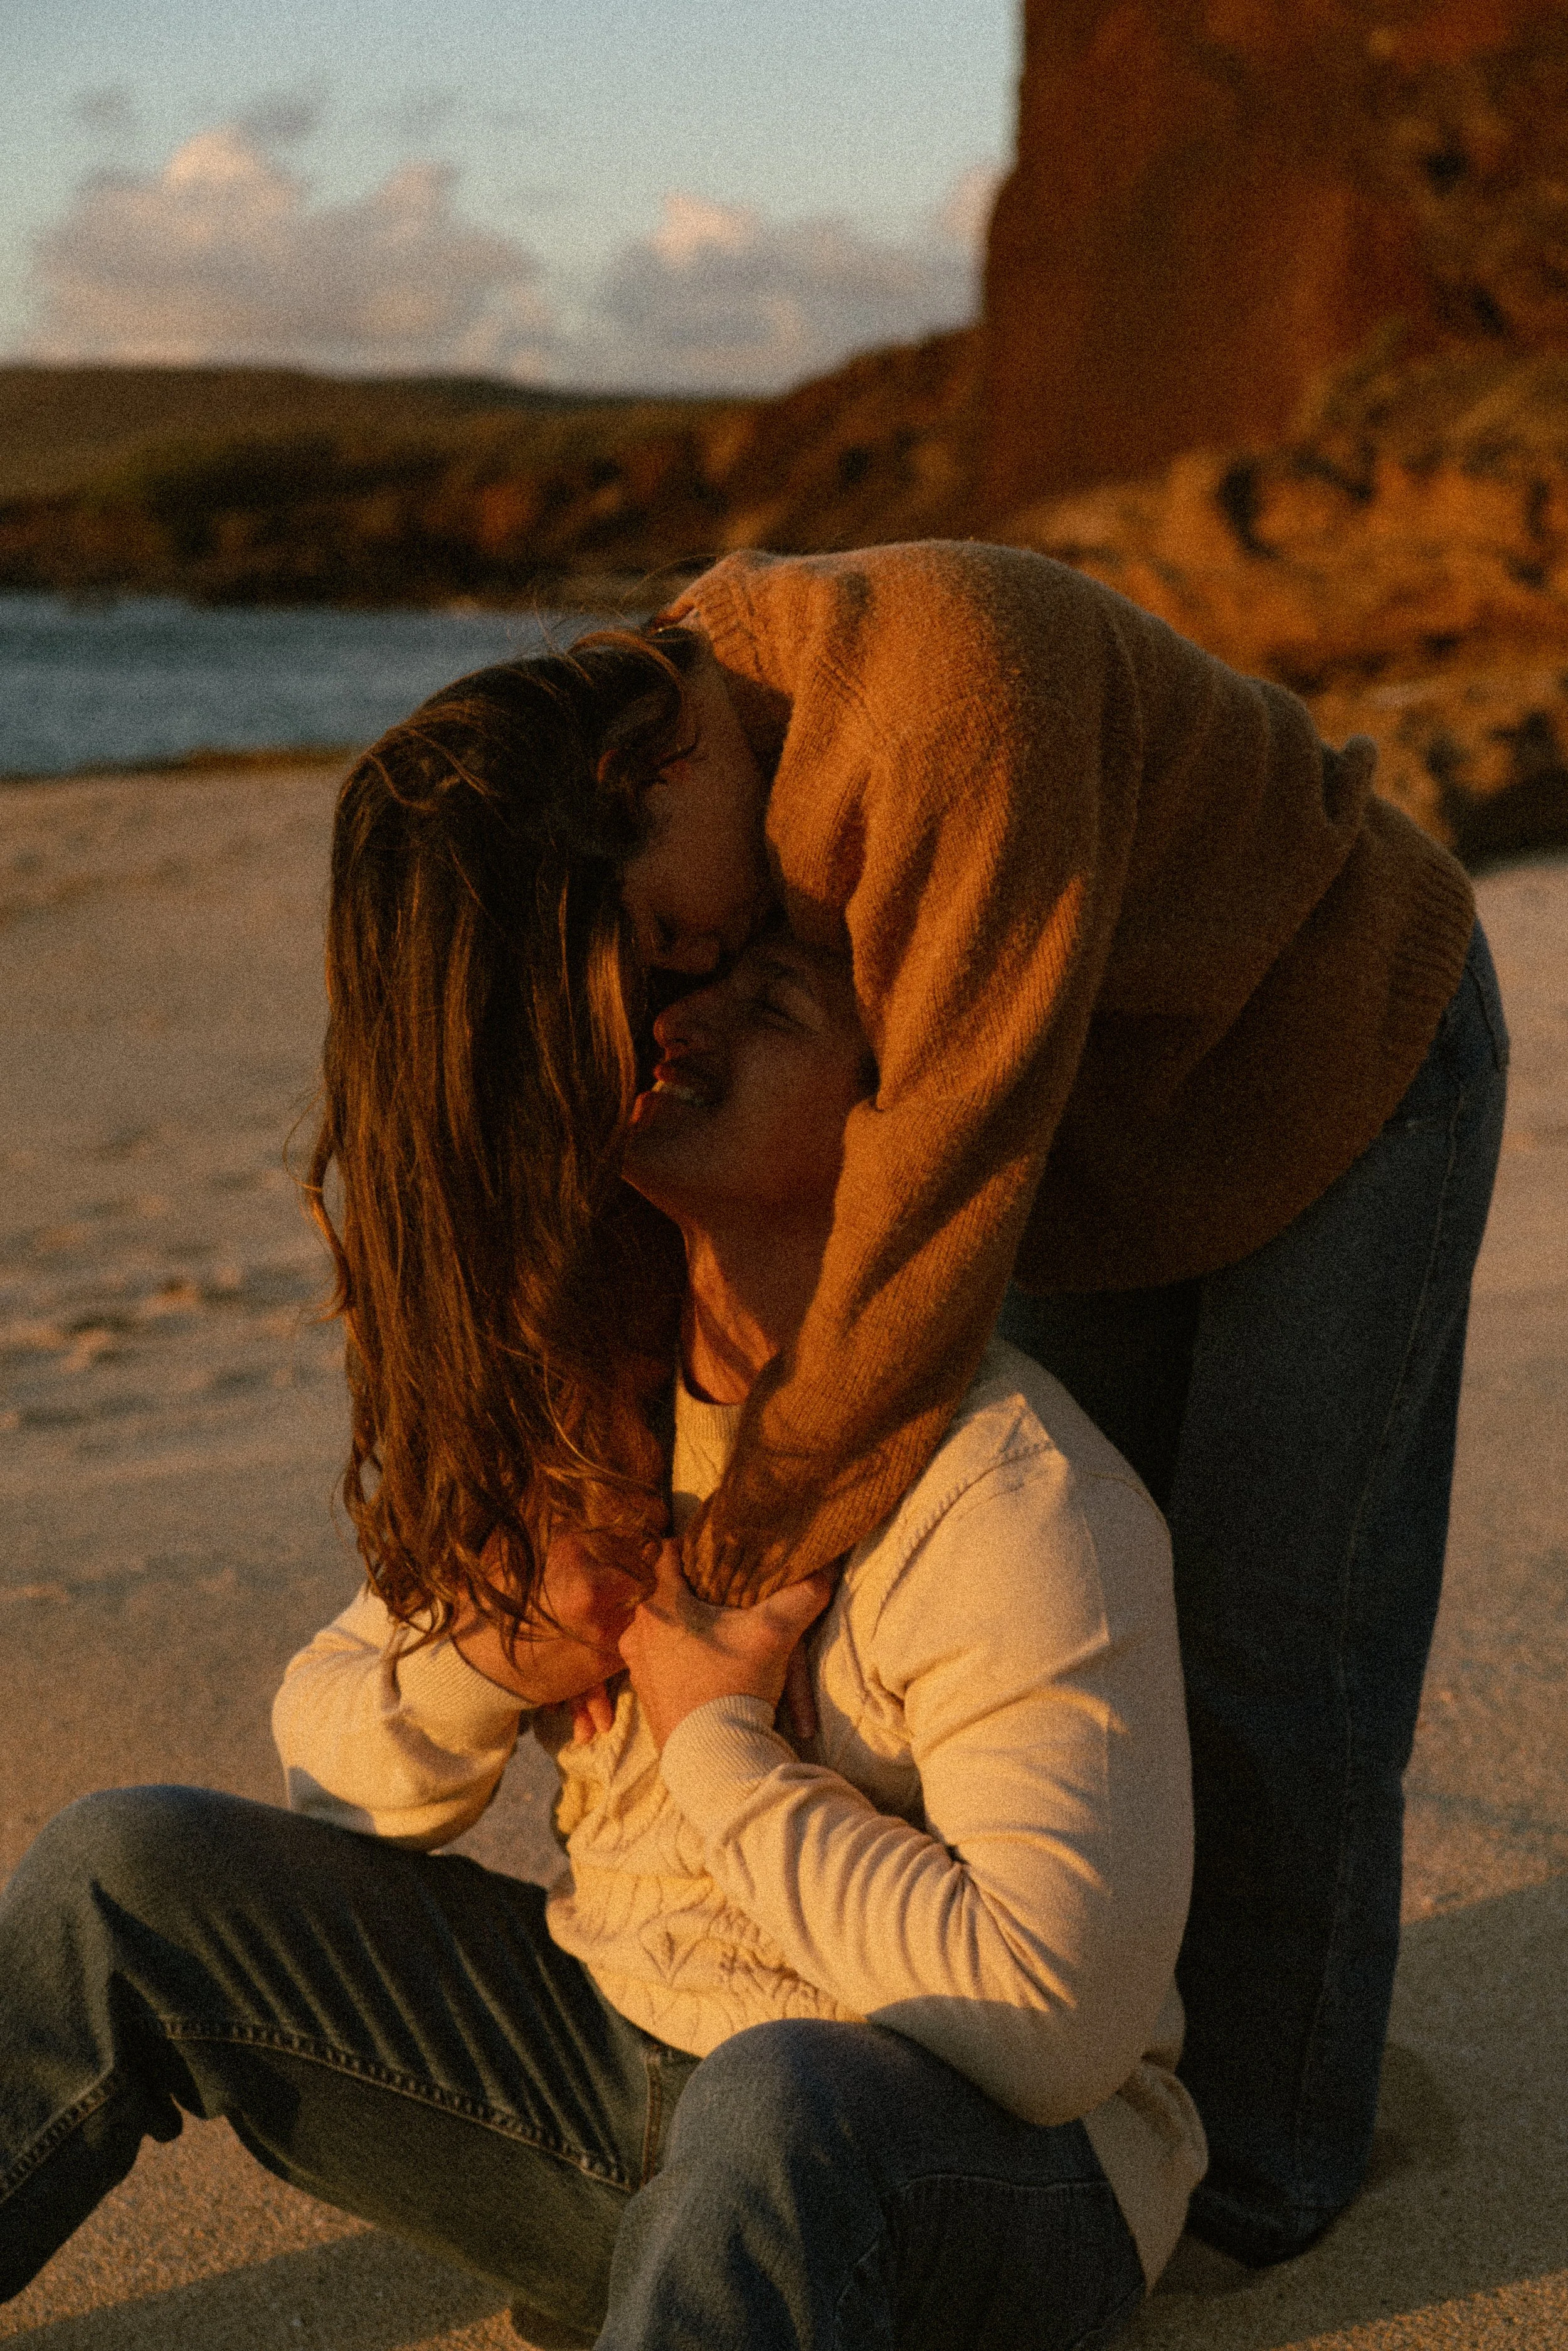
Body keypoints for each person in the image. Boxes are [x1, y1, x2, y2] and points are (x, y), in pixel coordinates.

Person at [0, 925, 1199, 2351]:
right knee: (116, 1870)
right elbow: (327, 1745)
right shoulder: (597, 1415)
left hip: (974, 2174)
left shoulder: (1009, 1493)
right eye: (689, 990)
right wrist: (499, 1657)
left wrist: (716, 1741)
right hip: (608, 2076)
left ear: (886, 1126)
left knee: (772, 2097)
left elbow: (1052, 2020)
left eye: (774, 1007)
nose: (689, 1025)